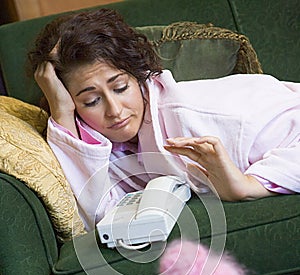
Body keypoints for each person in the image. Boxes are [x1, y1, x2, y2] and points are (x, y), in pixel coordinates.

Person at [28, 9, 299, 230]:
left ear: (138, 75)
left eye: (120, 87)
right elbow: (98, 215)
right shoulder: (106, 143)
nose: (114, 110)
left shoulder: (199, 113)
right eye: (91, 101)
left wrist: (250, 186)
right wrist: (61, 112)